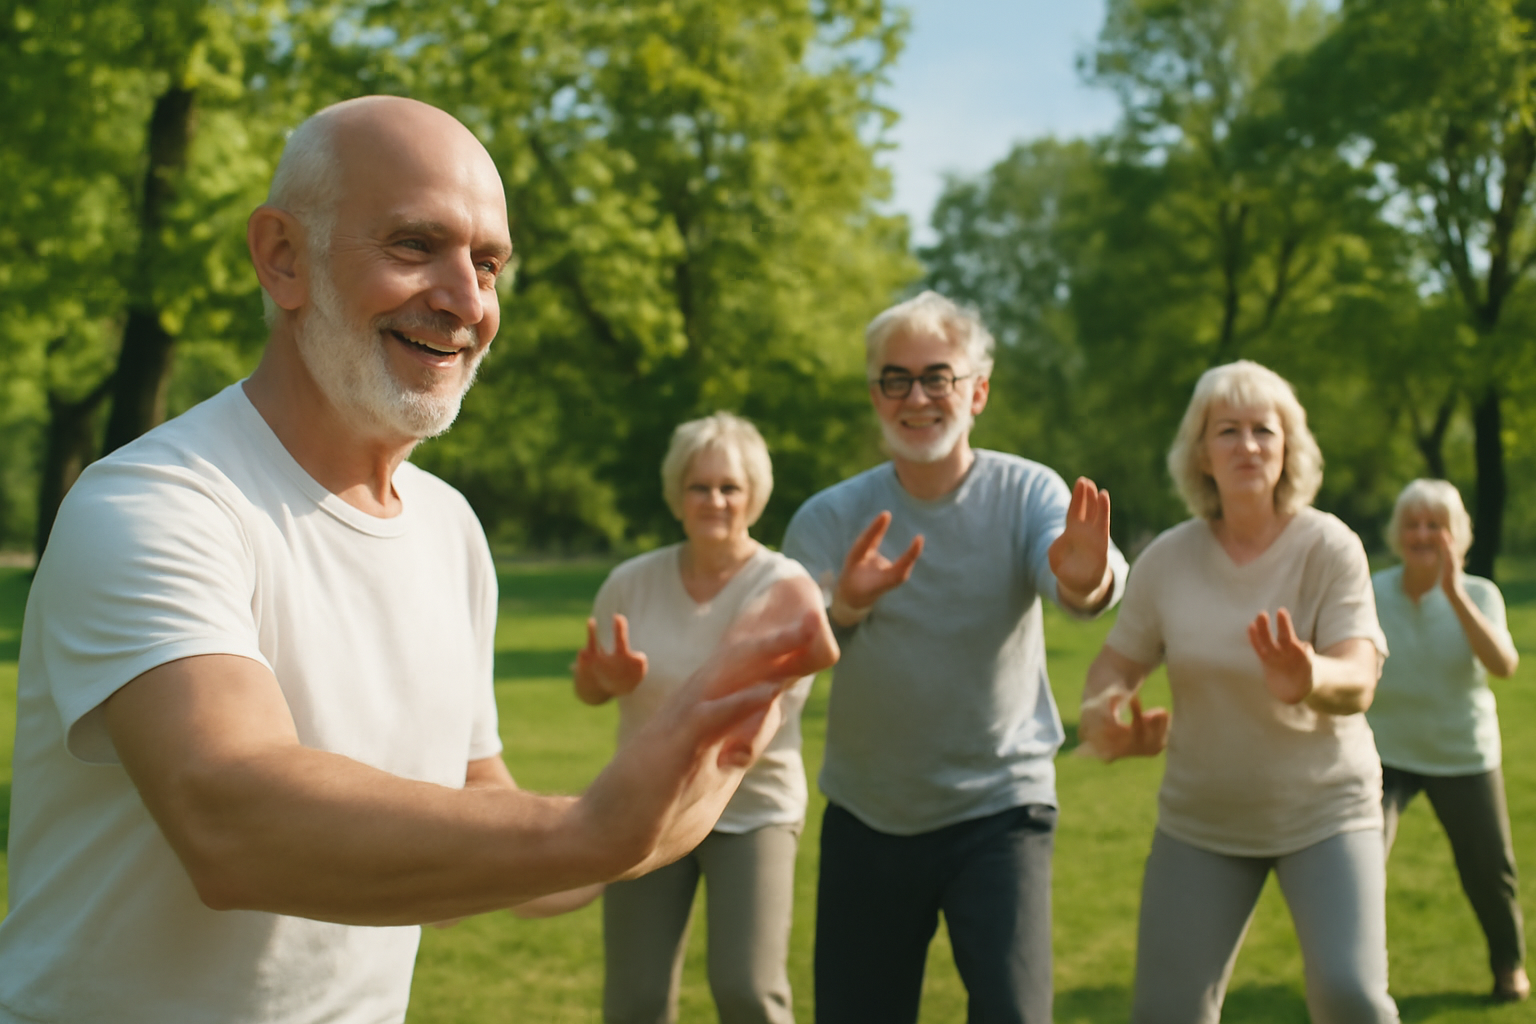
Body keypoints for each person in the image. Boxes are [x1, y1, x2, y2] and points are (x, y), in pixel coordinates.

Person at [0, 96, 837, 1024]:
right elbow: (231, 817)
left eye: (488, 264)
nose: (467, 302)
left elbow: (479, 815)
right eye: (414, 245)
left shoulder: (450, 530)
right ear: (283, 257)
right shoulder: (156, 503)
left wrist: (671, 791)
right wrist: (588, 832)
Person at [781, 290, 1127, 1024]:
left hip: (1001, 807)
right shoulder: (828, 518)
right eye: (895, 379)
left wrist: (1086, 574)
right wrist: (846, 605)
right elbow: (787, 653)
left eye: (938, 376)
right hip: (869, 814)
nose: (917, 398)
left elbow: (1074, 579)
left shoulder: (1027, 491)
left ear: (978, 392)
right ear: (875, 395)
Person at [1078, 360, 1398, 1024]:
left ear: (1289, 448)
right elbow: (1115, 665)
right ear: (1201, 453)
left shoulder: (1329, 546)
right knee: (1165, 1013)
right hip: (1203, 819)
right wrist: (1104, 719)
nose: (1247, 445)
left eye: (1263, 430)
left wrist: (1311, 677)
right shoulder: (1168, 558)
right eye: (1227, 430)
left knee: (1351, 996)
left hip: (1324, 811)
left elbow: (1359, 677)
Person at [575, 412, 819, 1024]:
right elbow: (587, 686)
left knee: (746, 989)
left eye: (729, 487)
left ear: (754, 496)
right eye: (699, 486)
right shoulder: (630, 583)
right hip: (646, 808)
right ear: (677, 495)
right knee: (634, 1000)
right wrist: (605, 682)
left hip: (751, 807)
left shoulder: (785, 585)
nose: (714, 500)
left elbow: (768, 709)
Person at [1367, 479, 1528, 1003]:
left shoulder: (1480, 594)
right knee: (1357, 862)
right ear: (1397, 533)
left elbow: (1503, 665)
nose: (1422, 534)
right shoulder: (1372, 590)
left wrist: (1454, 593)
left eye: (1435, 525)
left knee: (1489, 869)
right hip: (1384, 752)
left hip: (1462, 753)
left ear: (1456, 535)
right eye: (1412, 524)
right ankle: (1355, 980)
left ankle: (1508, 965)